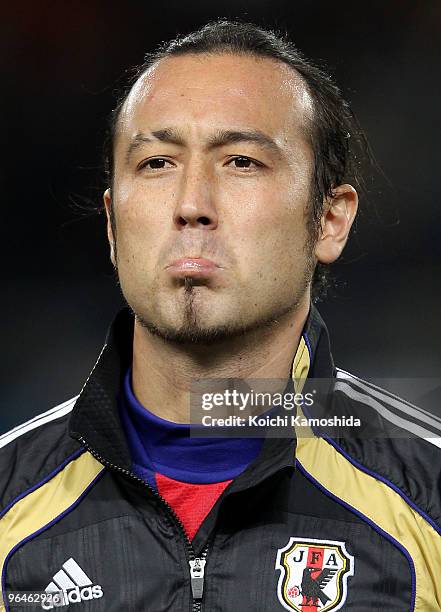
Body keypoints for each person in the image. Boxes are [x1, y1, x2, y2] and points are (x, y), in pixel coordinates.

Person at [0, 19, 440, 612]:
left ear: (330, 219)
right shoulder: (10, 502)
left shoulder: (427, 495)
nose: (191, 205)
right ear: (111, 223)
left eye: (241, 162)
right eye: (156, 163)